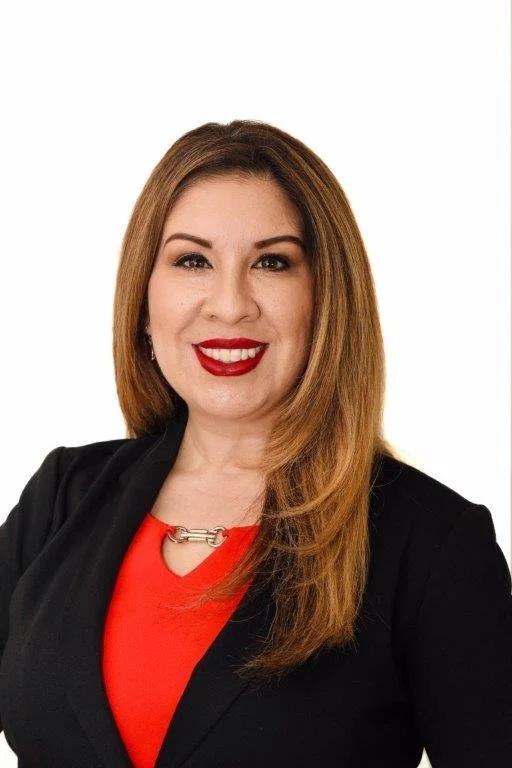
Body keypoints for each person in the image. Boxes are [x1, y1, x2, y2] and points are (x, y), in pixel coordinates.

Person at [0, 119, 510, 768]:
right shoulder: (64, 497)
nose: (230, 303)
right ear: (144, 302)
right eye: (192, 260)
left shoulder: (430, 542)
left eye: (272, 262)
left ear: (325, 301)